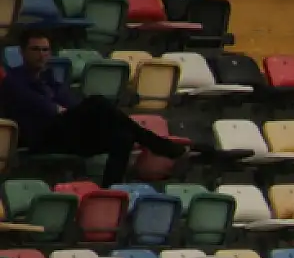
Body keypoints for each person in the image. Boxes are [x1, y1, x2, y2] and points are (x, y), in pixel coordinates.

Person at [0, 31, 189, 189]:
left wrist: (66, 110)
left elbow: (71, 106)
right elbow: (46, 109)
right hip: (39, 139)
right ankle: (157, 144)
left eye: (45, 50)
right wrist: (62, 109)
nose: (41, 55)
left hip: (65, 135)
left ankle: (109, 191)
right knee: (97, 102)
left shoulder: (50, 79)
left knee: (123, 136)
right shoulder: (13, 81)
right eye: (35, 50)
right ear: (22, 52)